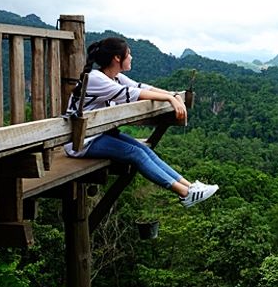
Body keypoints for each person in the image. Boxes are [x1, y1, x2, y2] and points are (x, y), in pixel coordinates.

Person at [64, 37, 218, 207]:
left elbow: (143, 87)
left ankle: (190, 186)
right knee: (135, 153)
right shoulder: (96, 79)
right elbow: (134, 94)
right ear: (117, 58)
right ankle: (184, 193)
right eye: (128, 54)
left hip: (98, 133)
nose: (131, 57)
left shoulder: (115, 77)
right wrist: (170, 98)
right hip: (81, 142)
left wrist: (172, 95)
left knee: (142, 149)